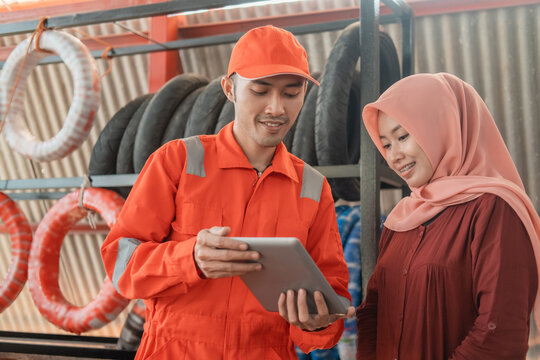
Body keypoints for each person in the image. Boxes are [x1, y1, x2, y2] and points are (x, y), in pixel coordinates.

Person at [101, 25, 355, 359]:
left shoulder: (312, 187)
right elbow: (122, 265)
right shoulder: (177, 161)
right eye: (260, 91)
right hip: (174, 350)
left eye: (291, 93)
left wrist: (317, 323)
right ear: (229, 89)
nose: (276, 109)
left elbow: (331, 297)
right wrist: (188, 258)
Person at [356, 72, 540, 360]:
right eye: (386, 144)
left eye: (403, 136)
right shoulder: (401, 218)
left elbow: (499, 333)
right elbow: (373, 313)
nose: (394, 156)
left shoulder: (494, 208)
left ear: (442, 126)